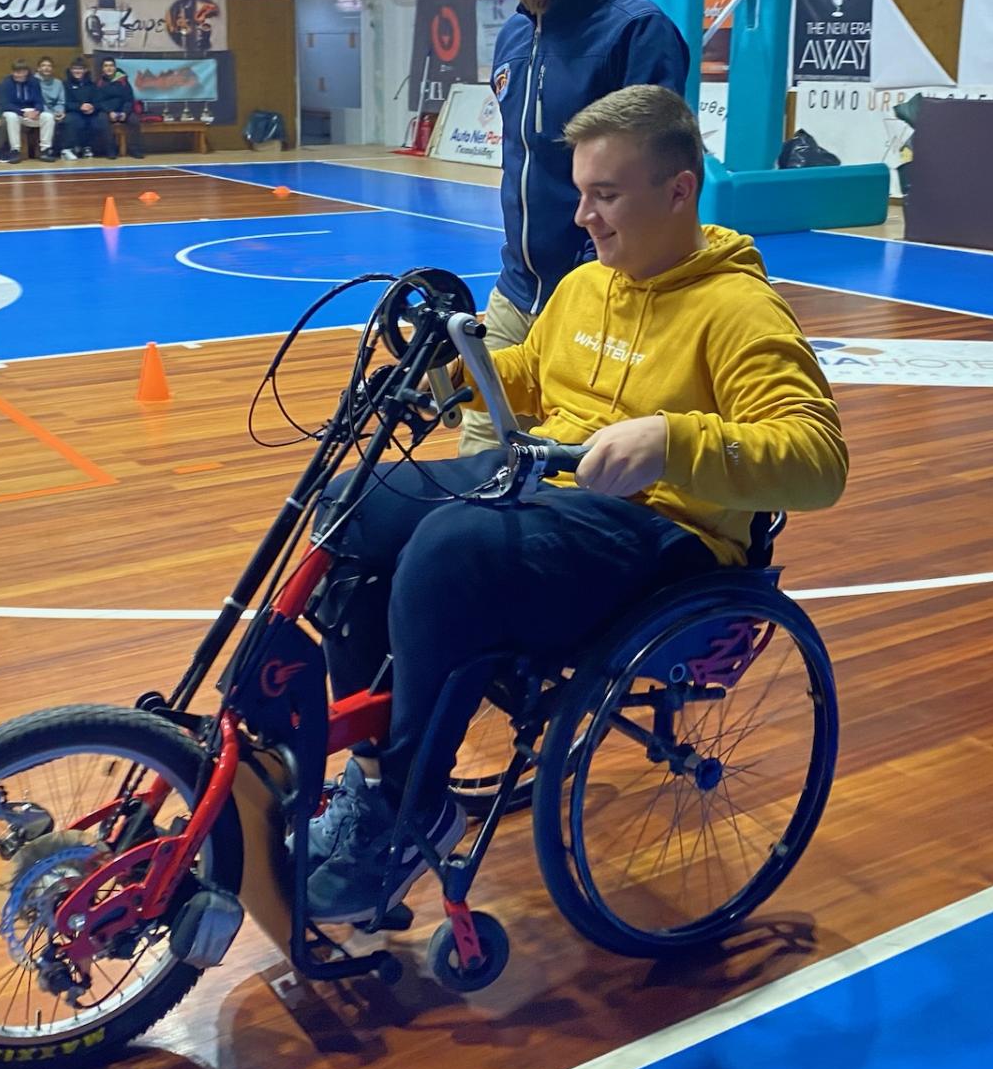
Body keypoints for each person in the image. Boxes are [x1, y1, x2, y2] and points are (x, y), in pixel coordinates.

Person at [303, 86, 847, 921]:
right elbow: (532, 377)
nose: (583, 217)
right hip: (562, 491)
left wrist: (673, 438)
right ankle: (372, 775)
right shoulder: (588, 285)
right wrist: (444, 380)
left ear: (679, 189)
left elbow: (819, 461)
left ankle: (415, 810)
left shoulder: (739, 312)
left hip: (668, 532)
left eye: (606, 195)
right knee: (354, 504)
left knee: (453, 550)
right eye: (580, 193)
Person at [461, 0, 692, 457]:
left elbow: (653, 184)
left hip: (601, 298)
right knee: (478, 463)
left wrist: (601, 283)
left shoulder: (637, 33)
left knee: (573, 478)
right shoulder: (513, 35)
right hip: (516, 293)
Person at [0, 60, 54, 161]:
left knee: (48, 117)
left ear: (26, 72)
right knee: (11, 117)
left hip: (32, 112)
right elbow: (5, 104)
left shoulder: (34, 81)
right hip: (15, 111)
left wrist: (37, 111)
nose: (17, 75)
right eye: (15, 72)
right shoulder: (6, 82)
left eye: (20, 72)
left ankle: (45, 150)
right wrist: (22, 113)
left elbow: (39, 100)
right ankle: (15, 150)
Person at [61, 59, 113, 158]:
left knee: (98, 120)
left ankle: (93, 148)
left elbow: (98, 101)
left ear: (85, 70)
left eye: (80, 69)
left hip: (90, 112)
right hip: (73, 112)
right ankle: (68, 149)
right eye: (75, 69)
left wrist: (92, 107)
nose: (77, 71)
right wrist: (79, 107)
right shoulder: (66, 85)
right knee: (73, 120)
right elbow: (66, 103)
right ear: (71, 70)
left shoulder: (92, 85)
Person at [97, 57, 144, 159]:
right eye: (106, 66)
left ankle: (134, 149)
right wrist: (109, 112)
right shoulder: (99, 83)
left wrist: (125, 112)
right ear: (102, 69)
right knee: (101, 120)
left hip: (123, 111)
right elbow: (99, 101)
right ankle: (111, 150)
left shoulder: (123, 81)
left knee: (134, 120)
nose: (109, 68)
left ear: (115, 68)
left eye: (111, 66)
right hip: (107, 111)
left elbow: (129, 99)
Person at [35, 57, 71, 160]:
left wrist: (60, 112)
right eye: (43, 66)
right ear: (38, 68)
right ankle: (47, 150)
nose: (46, 68)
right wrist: (51, 113)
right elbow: (38, 101)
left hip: (56, 111)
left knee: (69, 120)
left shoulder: (58, 83)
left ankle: (65, 150)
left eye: (49, 66)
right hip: (41, 112)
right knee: (48, 118)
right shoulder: (34, 82)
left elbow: (61, 101)